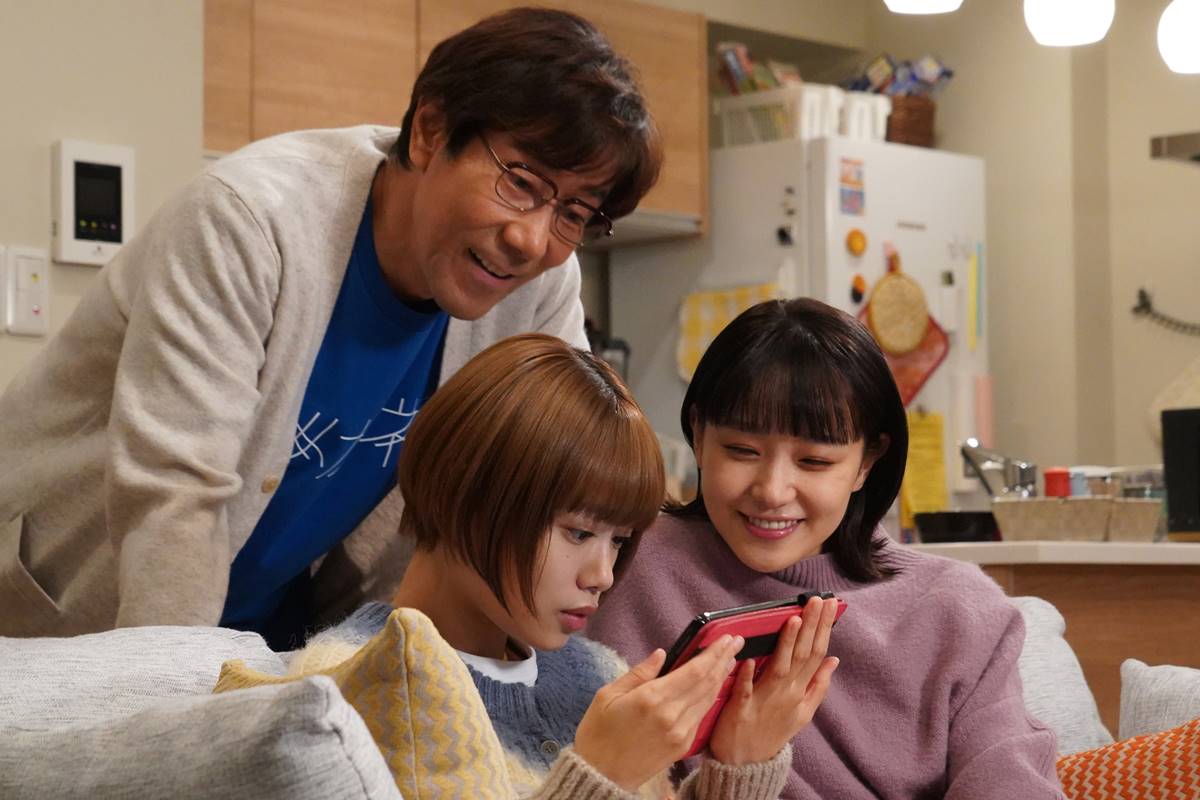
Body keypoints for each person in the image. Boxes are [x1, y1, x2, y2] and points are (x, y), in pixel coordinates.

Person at [0, 8, 661, 643]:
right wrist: (179, 707)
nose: (532, 239)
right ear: (430, 132)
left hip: (265, 632)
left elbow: (570, 476)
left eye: (575, 213)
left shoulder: (541, 286)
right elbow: (174, 501)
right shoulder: (248, 221)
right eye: (520, 182)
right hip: (75, 610)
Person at [295, 332, 841, 798]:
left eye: (619, 540)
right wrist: (599, 776)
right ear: (469, 495)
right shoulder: (345, 686)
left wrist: (740, 764)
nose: (602, 576)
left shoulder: (597, 671)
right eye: (578, 533)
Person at [588, 298, 1066, 799]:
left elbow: (1011, 780)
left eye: (814, 461)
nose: (772, 491)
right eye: (742, 451)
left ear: (867, 462)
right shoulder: (622, 561)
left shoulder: (957, 610)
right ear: (699, 434)